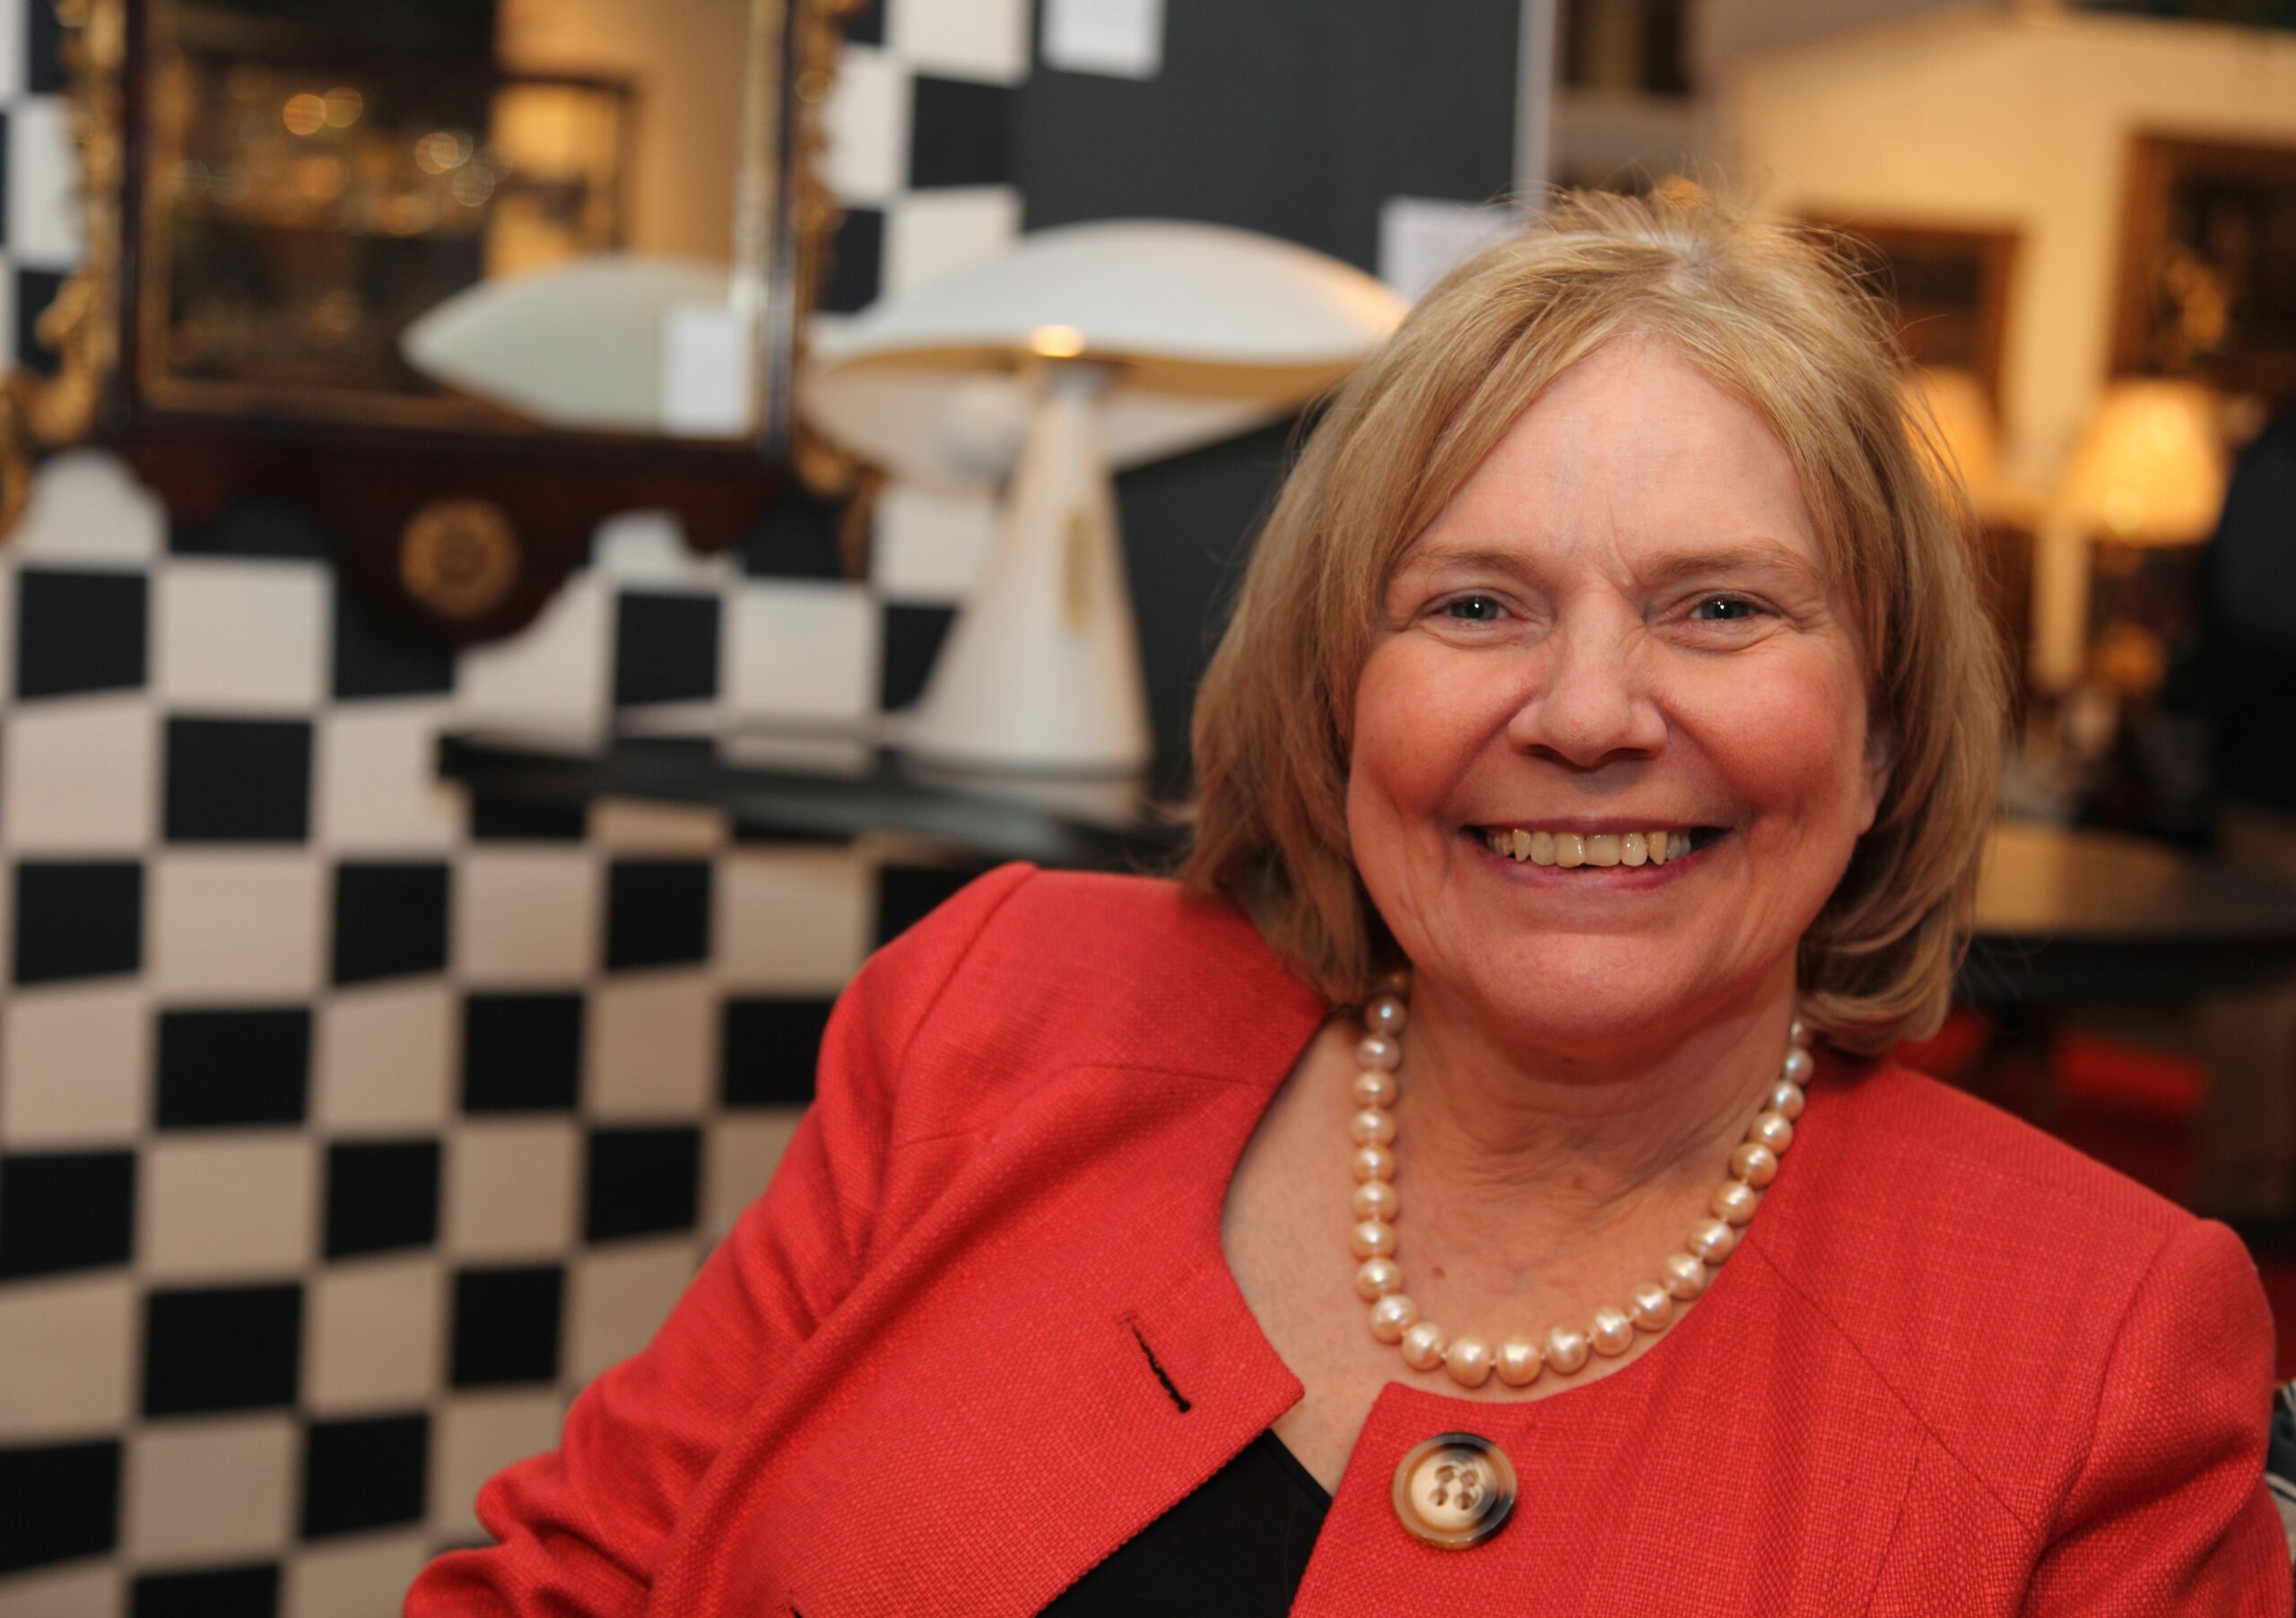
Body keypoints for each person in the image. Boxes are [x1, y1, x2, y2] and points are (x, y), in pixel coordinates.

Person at [406, 184, 2290, 1614]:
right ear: (1335, 697)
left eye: (1719, 606)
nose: (1582, 713)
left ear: (1879, 734)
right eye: (1473, 603)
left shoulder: (2100, 1346)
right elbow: (567, 1581)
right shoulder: (994, 1012)